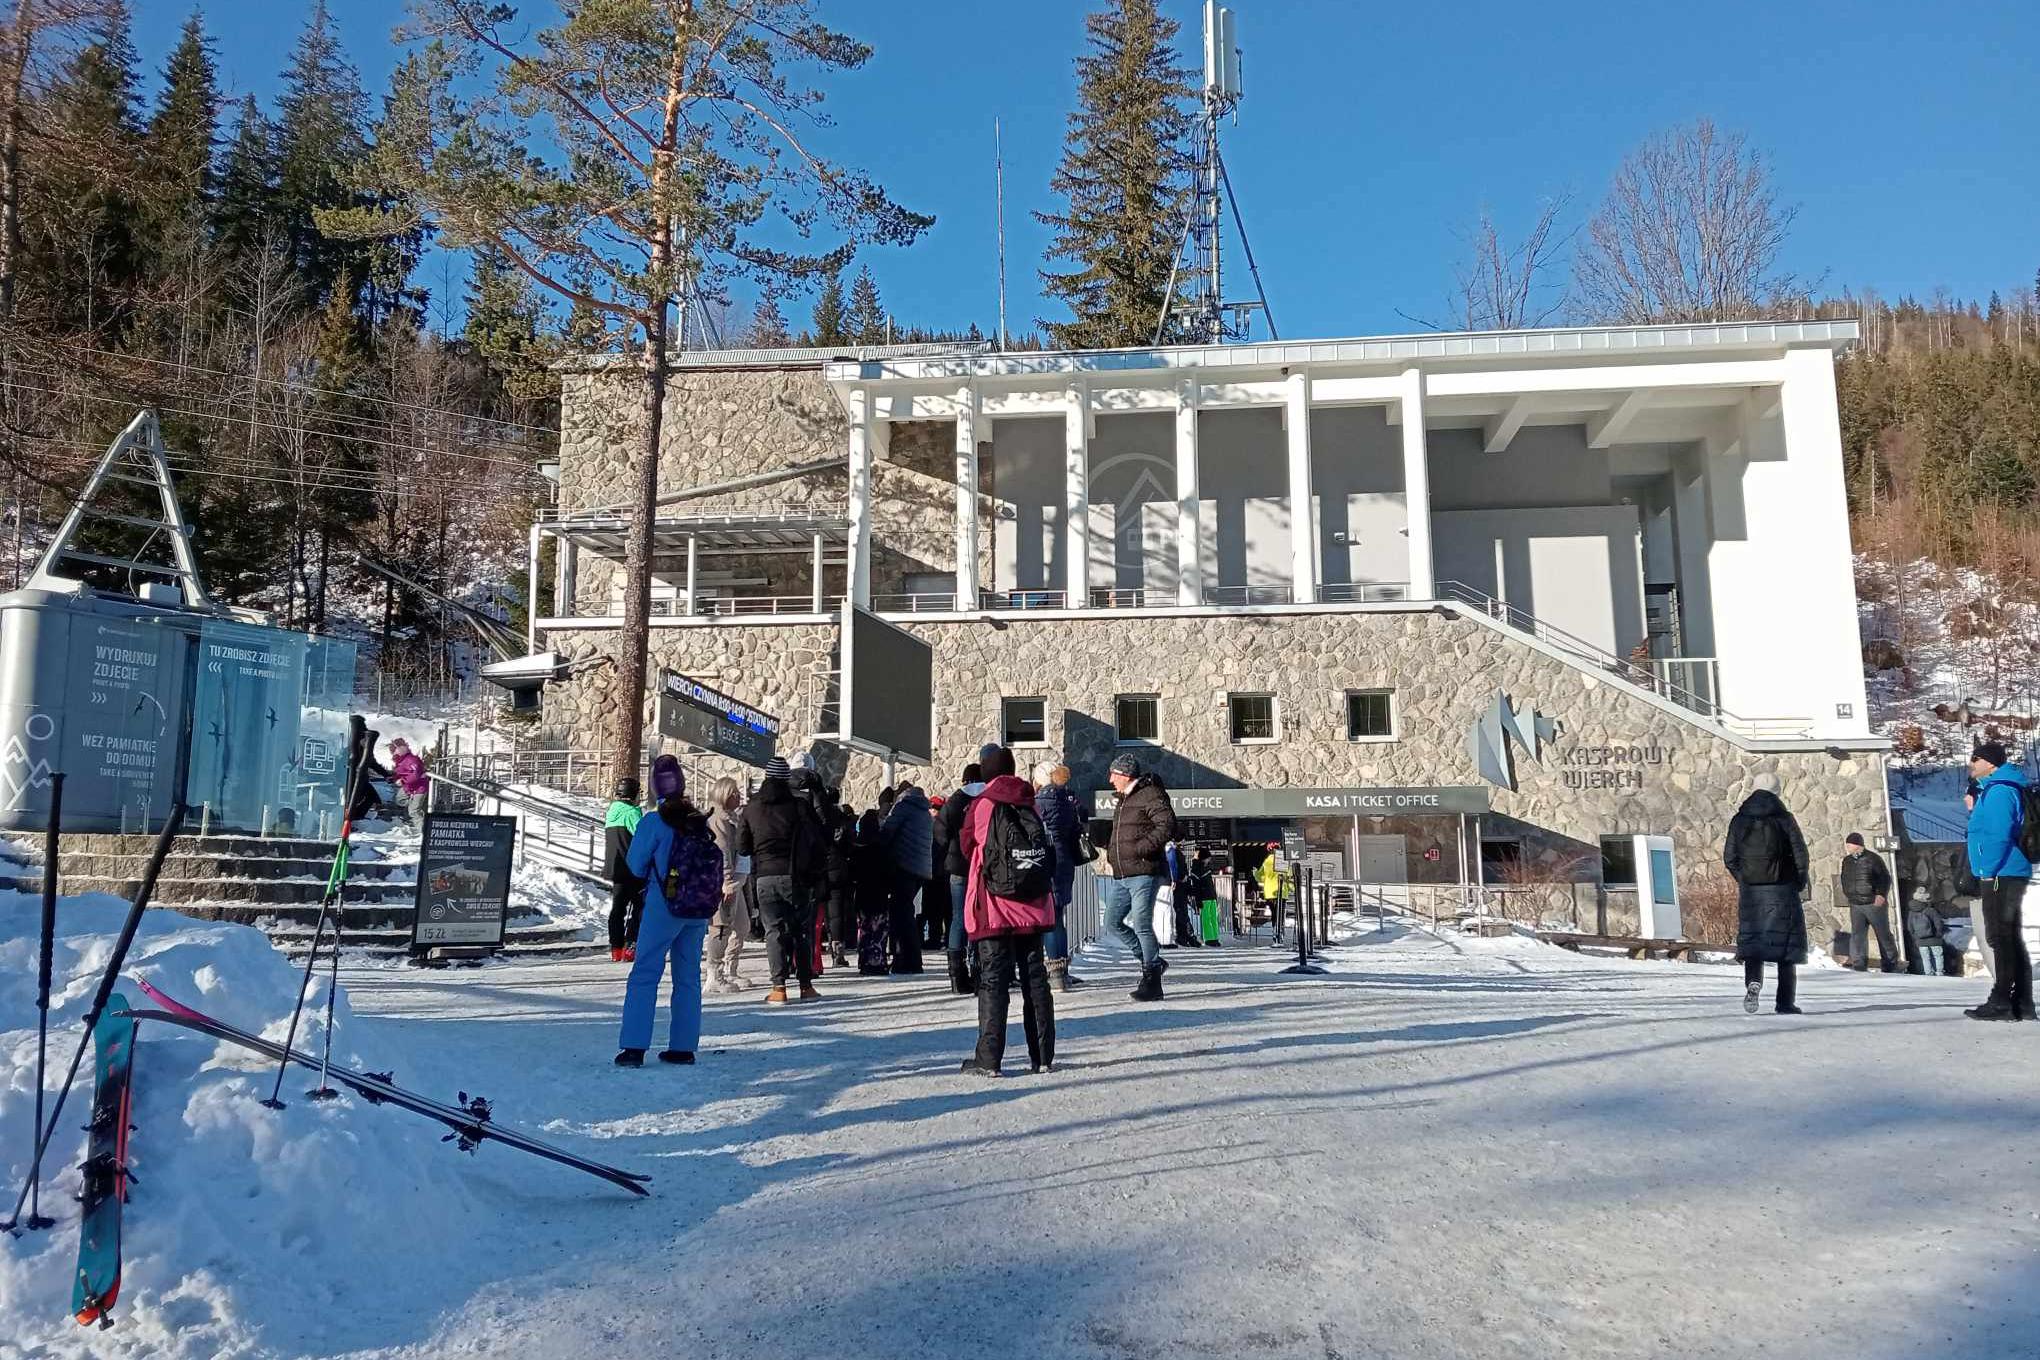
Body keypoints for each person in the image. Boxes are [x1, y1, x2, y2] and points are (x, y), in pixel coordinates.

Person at [956, 745, 1057, 1076]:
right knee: (1035, 978)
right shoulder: (1031, 802)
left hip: (995, 907)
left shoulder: (982, 805)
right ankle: (1042, 1057)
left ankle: (989, 1059)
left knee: (993, 980)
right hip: (1033, 904)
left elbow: (967, 845)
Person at [616, 756, 722, 1067]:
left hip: (664, 907)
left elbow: (635, 866)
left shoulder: (654, 821)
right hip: (698, 909)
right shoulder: (697, 819)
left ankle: (634, 1047)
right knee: (688, 977)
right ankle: (683, 1047)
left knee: (645, 974)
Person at [738, 755, 826, 1004]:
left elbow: (742, 847)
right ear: (787, 779)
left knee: (773, 931)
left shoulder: (752, 807)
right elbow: (816, 837)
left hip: (764, 876)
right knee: (801, 930)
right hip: (795, 875)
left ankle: (778, 987)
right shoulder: (799, 806)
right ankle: (806, 985)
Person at [1724, 772, 1810, 1016]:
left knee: (1754, 942)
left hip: (1752, 892)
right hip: (1783, 889)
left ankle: (1753, 982)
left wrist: (1745, 879)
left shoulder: (1739, 820)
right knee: (1786, 948)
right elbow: (1800, 854)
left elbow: (1729, 857)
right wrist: (1798, 880)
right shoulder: (1784, 818)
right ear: (1777, 790)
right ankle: (1785, 1002)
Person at [1962, 741, 2034, 1021]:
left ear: (1990, 763)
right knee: (2009, 937)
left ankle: (2002, 1000)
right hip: (2007, 870)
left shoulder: (2000, 791)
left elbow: (1998, 834)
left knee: (2000, 937)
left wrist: (1987, 869)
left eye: (1975, 759)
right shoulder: (1997, 788)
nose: (1971, 764)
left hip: (2000, 872)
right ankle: (2022, 1003)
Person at [1103, 753, 1174, 1002]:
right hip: (1122, 874)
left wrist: (1142, 848)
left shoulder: (1151, 794)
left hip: (1143, 871)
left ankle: (1152, 979)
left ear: (1125, 775)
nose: (1110, 779)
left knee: (1142, 923)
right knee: (1112, 922)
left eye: (1114, 774)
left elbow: (1167, 825)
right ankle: (1150, 960)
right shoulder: (1123, 800)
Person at [1034, 762, 1087, 991]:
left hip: (1047, 863)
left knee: (1051, 920)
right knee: (1059, 918)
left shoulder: (1038, 803)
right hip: (1065, 863)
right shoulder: (1068, 801)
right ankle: (1063, 971)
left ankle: (1055, 973)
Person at [939, 761, 986, 995]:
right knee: (980, 917)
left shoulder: (955, 801)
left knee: (958, 918)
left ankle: (956, 977)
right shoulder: (987, 797)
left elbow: (940, 832)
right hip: (981, 865)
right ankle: (979, 970)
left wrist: (950, 849)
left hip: (957, 865)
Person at [880, 780, 933, 974]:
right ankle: (911, 958)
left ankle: (906, 960)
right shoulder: (923, 810)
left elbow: (887, 832)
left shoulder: (904, 806)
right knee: (906, 912)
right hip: (921, 868)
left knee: (901, 914)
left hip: (904, 866)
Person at [705, 776, 750, 991]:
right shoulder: (717, 820)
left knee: (741, 925)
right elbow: (721, 852)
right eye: (734, 794)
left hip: (736, 879)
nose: (738, 798)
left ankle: (731, 968)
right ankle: (714, 973)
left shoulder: (732, 819)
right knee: (720, 927)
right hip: (723, 882)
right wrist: (727, 882)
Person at [1839, 832, 1897, 972]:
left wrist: (1881, 894)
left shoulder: (1873, 859)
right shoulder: (1847, 861)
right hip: (1855, 903)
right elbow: (1843, 878)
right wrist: (1848, 893)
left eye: (1849, 844)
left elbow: (1884, 878)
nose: (1847, 847)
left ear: (1857, 845)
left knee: (1882, 933)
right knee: (1858, 935)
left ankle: (1890, 963)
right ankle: (1859, 963)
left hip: (1873, 903)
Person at [604, 776, 646, 964]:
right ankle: (631, 946)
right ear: (635, 794)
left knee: (618, 908)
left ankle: (616, 948)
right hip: (633, 869)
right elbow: (643, 839)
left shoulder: (612, 811)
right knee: (639, 907)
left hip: (615, 868)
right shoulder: (632, 813)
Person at [852, 809, 892, 974]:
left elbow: (853, 872)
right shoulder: (883, 846)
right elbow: (890, 870)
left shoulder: (857, 847)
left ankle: (864, 960)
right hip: (880, 891)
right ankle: (878, 960)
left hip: (863, 891)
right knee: (879, 928)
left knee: (865, 927)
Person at [824, 798, 857, 968]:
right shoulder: (841, 820)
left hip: (817, 868)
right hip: (838, 869)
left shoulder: (815, 816)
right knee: (837, 912)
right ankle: (838, 951)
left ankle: (812, 951)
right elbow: (850, 846)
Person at [344, 715, 389, 822]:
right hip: (358, 777)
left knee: (366, 797)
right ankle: (355, 817)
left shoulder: (352, 741)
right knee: (371, 796)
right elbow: (370, 761)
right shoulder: (363, 740)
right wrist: (385, 774)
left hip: (353, 776)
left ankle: (355, 817)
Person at [1907, 885, 1949, 977]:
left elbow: (1910, 927)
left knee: (1925, 958)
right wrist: (1939, 934)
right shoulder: (1931, 910)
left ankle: (1928, 973)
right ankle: (1939, 972)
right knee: (1938, 956)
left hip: (1920, 939)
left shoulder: (1911, 912)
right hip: (1934, 938)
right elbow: (1938, 923)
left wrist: (1916, 937)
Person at [387, 738, 429, 828]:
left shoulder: (411, 759)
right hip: (408, 787)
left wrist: (403, 781)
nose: (394, 753)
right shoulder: (400, 761)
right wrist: (393, 778)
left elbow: (416, 774)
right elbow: (401, 772)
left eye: (404, 745)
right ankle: (415, 809)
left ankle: (423, 830)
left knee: (413, 811)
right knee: (399, 800)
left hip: (419, 788)